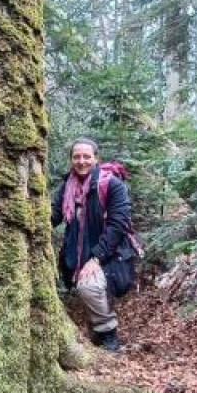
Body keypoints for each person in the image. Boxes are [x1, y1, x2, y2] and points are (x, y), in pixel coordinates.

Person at [51, 137, 137, 352]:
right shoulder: (67, 185)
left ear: (96, 158)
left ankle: (109, 334)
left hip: (110, 252)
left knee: (88, 286)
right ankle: (96, 329)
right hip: (78, 253)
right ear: (71, 159)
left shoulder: (111, 185)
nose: (81, 161)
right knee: (86, 287)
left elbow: (119, 224)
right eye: (76, 157)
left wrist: (96, 258)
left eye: (86, 157)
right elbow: (55, 215)